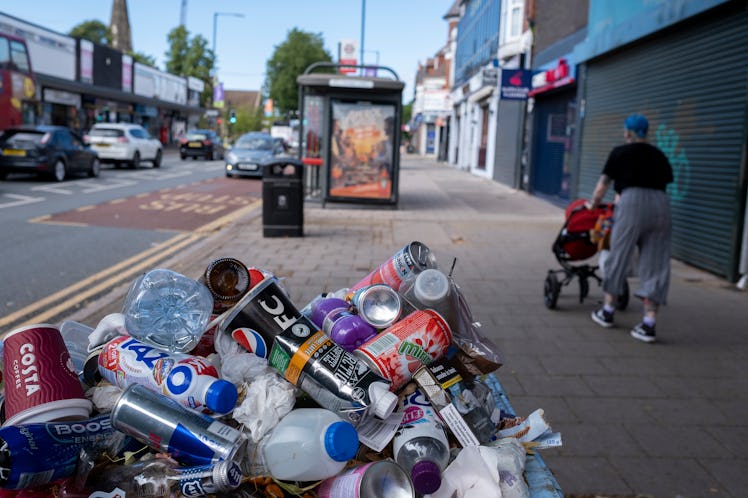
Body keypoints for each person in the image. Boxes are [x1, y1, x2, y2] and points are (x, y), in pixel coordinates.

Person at [588, 113, 673, 343]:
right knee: (656, 262)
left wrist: (592, 204)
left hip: (632, 202)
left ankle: (607, 311)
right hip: (660, 205)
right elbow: (665, 183)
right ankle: (649, 323)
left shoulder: (620, 152)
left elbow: (602, 186)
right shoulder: (659, 155)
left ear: (628, 132)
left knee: (619, 254)